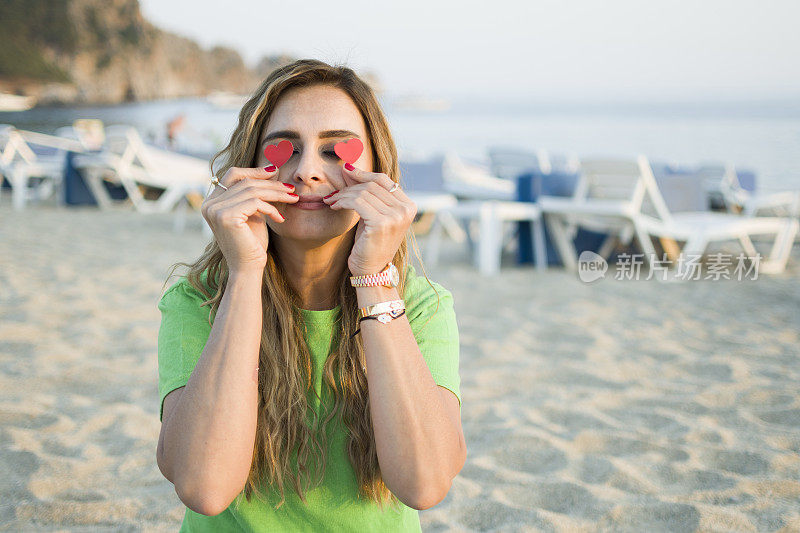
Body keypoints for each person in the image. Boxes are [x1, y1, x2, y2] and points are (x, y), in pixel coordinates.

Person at [155, 59, 465, 531]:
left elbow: (425, 483)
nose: (307, 172)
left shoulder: (422, 306)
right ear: (250, 166)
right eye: (286, 148)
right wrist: (244, 274)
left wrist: (373, 276)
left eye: (337, 149)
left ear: (379, 168)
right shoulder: (197, 300)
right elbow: (204, 486)